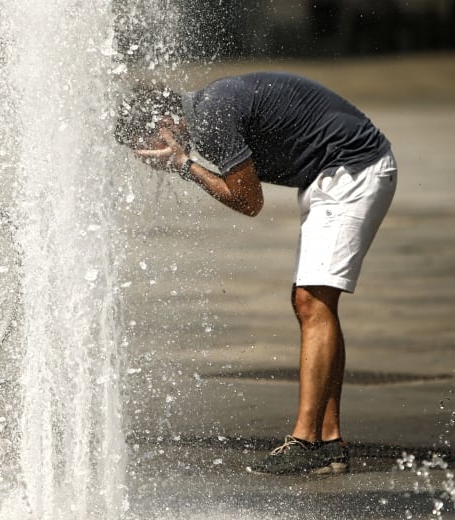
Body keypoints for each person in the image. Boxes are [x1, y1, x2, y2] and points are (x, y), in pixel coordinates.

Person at [115, 72, 397, 475]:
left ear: (165, 123)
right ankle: (329, 441)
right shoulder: (209, 107)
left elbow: (249, 202)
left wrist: (182, 164)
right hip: (337, 173)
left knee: (312, 303)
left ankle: (305, 443)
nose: (151, 158)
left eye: (150, 147)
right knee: (312, 304)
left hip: (354, 169)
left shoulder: (211, 117)